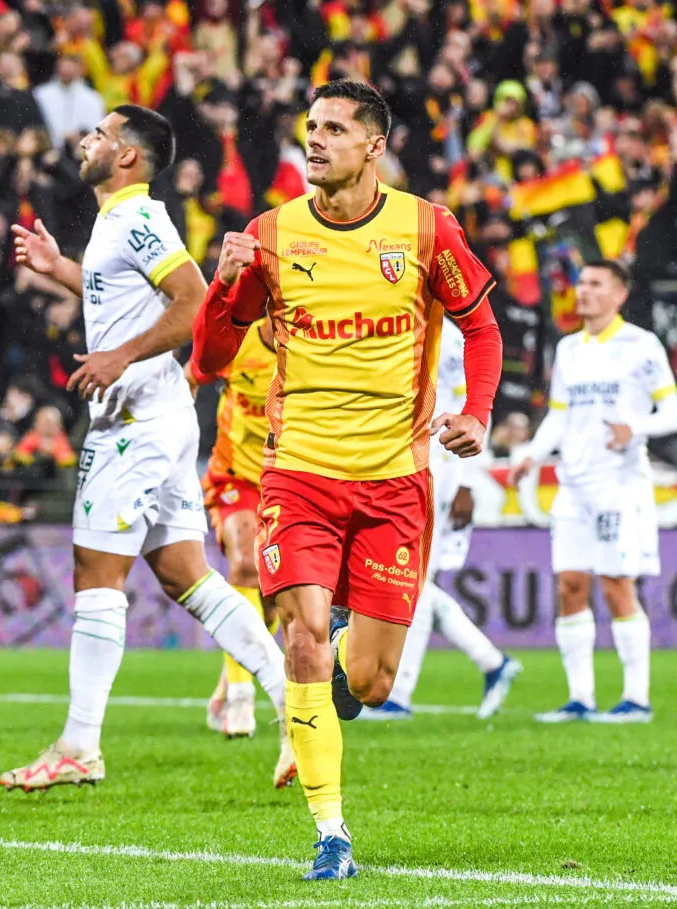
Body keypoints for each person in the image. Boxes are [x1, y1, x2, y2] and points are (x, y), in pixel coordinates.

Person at [192, 80, 504, 881]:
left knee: (367, 677)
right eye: (310, 127)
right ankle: (331, 832)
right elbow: (211, 360)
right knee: (298, 632)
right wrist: (227, 284)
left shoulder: (426, 227)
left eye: (334, 128)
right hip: (298, 476)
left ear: (374, 145)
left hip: (396, 481)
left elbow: (481, 322)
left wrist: (481, 410)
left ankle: (335, 665)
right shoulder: (269, 234)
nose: (315, 139)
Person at [1, 105, 293, 792]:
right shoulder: (117, 222)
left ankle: (79, 744)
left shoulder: (137, 216)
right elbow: (124, 298)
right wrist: (62, 272)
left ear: (128, 155)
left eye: (101, 134)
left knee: (95, 571)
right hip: (160, 415)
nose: (86, 141)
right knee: (185, 574)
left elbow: (194, 301)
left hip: (133, 418)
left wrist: (118, 356)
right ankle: (294, 700)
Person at [507, 260, 677, 725]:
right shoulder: (568, 349)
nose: (582, 291)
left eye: (594, 284)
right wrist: (531, 453)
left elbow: (674, 413)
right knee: (570, 585)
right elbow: (560, 415)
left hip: (618, 483)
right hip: (573, 484)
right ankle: (580, 698)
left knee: (616, 585)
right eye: (580, 283)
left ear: (618, 294)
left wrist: (635, 428)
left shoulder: (641, 346)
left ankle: (636, 699)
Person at [360, 317, 522, 721]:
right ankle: (491, 662)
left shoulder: (448, 337)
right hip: (394, 469)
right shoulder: (394, 323)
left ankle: (399, 693)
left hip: (435, 471)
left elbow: (466, 407)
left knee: (408, 582)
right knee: (410, 581)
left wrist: (466, 479)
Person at [187, 317, 283, 742]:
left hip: (288, 479)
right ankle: (242, 697)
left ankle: (231, 677)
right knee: (245, 566)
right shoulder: (238, 342)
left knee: (278, 591)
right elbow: (192, 374)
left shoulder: (314, 347)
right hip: (234, 476)